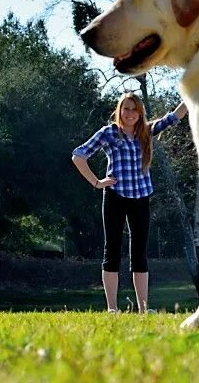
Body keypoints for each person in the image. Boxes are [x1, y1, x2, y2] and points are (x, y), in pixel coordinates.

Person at [72, 92, 187, 313]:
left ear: (140, 112)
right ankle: (112, 309)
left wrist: (194, 90)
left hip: (141, 197)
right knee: (112, 250)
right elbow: (78, 155)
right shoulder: (109, 133)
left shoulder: (146, 131)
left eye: (135, 110)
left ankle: (143, 309)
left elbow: (175, 116)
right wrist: (97, 182)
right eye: (126, 109)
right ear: (119, 110)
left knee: (139, 253)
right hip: (115, 196)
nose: (130, 114)